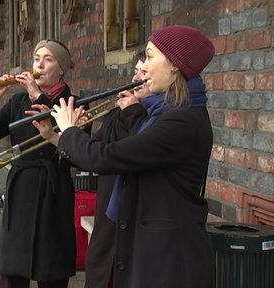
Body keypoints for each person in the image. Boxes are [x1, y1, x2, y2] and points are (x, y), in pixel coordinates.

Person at [32, 25, 216, 288]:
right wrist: (58, 136)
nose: (144, 68)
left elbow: (107, 158)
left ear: (175, 65)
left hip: (172, 261)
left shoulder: (181, 121)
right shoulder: (163, 113)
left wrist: (70, 130)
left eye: (151, 57)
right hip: (155, 254)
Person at [0, 39, 81, 288]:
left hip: (54, 187)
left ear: (61, 68)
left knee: (51, 266)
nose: (40, 65)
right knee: (14, 265)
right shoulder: (18, 102)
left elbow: (76, 142)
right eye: (36, 59)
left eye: (48, 59)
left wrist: (38, 95)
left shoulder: (74, 102)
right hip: (22, 184)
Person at [83, 50, 151, 288]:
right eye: (135, 72)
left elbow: (136, 150)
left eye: (144, 72)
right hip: (107, 217)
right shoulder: (116, 115)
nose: (136, 78)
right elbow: (92, 155)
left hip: (134, 222)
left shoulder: (157, 119)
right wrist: (67, 132)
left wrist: (133, 110)